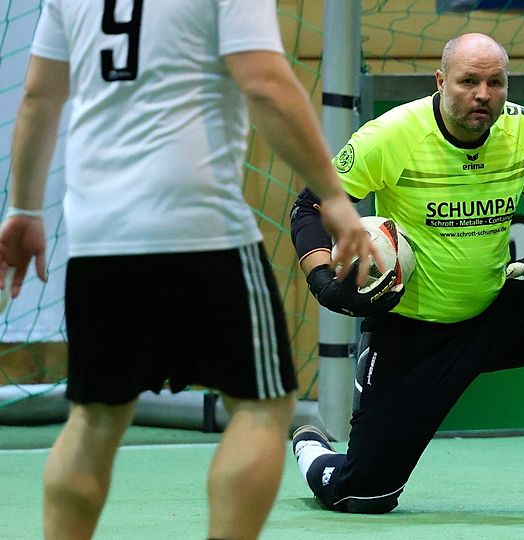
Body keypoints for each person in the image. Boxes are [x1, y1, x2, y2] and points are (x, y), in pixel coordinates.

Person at [0, 1, 379, 538]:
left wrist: (22, 209)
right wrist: (334, 198)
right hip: (201, 227)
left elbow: (40, 94)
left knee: (95, 416)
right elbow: (264, 82)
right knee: (262, 405)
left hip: (98, 234)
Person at [289, 32, 524, 519]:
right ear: (440, 81)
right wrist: (324, 283)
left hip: (495, 314)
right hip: (412, 330)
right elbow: (311, 205)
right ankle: (311, 448)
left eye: (495, 83)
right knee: (362, 495)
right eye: (468, 81)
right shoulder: (390, 135)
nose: (483, 94)